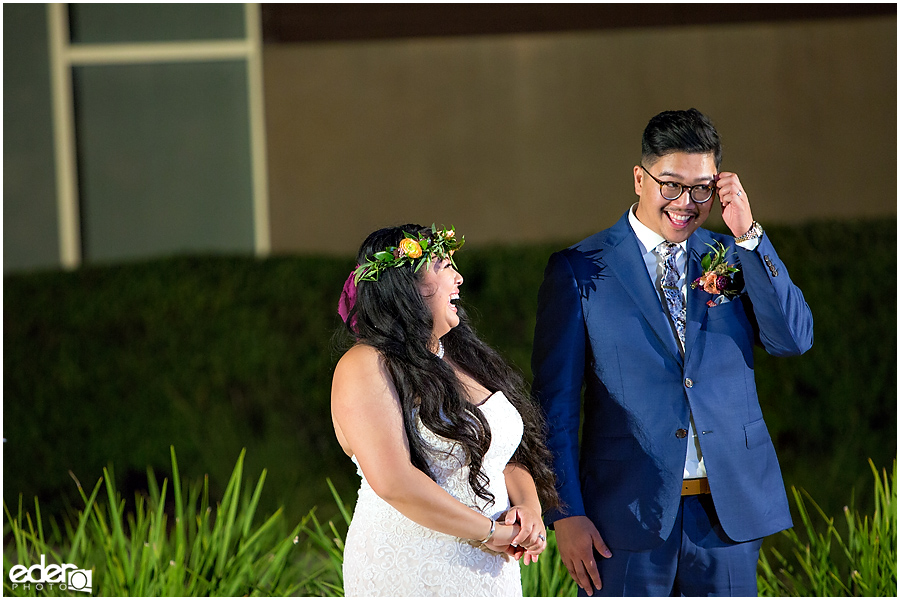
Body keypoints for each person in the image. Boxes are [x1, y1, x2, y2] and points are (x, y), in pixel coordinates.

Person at [531, 109, 814, 596]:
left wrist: (748, 235)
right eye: (671, 185)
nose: (686, 203)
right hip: (623, 519)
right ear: (640, 179)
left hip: (726, 517)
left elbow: (793, 338)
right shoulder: (580, 270)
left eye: (701, 188)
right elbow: (554, 405)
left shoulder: (731, 255)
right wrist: (566, 514)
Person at [332, 224, 559, 596]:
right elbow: (393, 481)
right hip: (411, 569)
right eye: (442, 265)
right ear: (407, 286)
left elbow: (502, 456)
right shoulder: (366, 365)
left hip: (489, 570)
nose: (459, 277)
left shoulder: (459, 356)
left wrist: (529, 510)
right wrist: (489, 531)